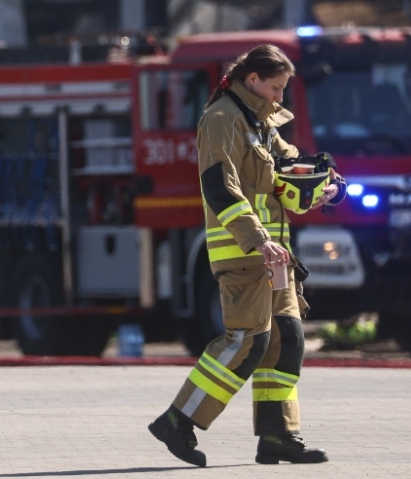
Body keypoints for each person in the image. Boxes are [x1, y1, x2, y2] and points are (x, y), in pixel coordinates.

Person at [148, 44, 346, 466]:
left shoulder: (261, 125)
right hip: (245, 253)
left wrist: (325, 182)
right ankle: (178, 420)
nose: (280, 98)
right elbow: (220, 188)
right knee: (247, 343)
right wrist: (256, 239)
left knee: (287, 340)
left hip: (275, 256)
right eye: (276, 88)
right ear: (252, 79)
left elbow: (287, 172)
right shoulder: (222, 119)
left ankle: (278, 436)